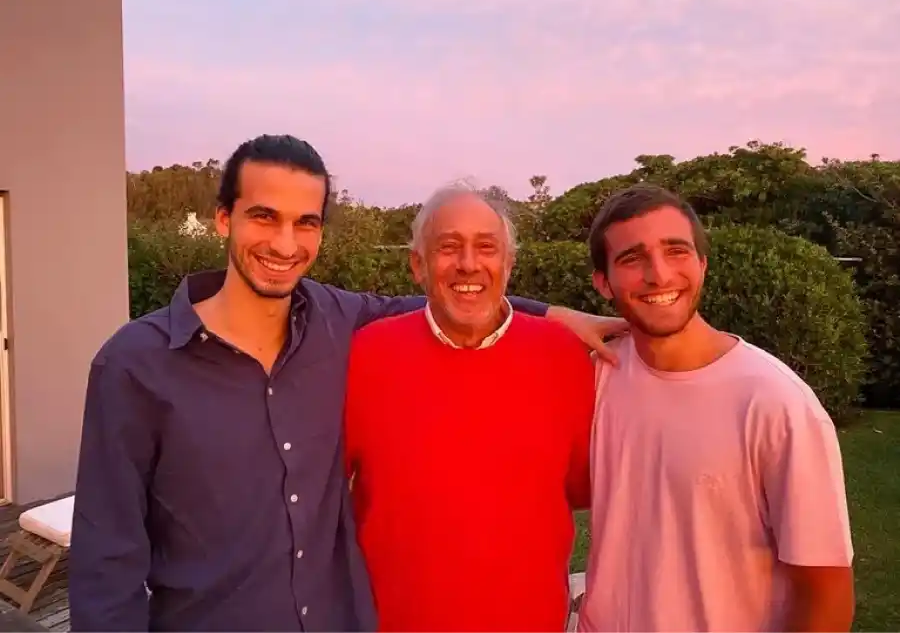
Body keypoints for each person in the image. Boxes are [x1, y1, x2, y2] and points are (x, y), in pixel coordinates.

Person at [68, 134, 627, 632]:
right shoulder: (135, 364)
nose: (285, 244)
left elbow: (459, 298)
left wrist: (554, 316)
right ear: (223, 219)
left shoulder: (339, 323)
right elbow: (106, 559)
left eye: (305, 222)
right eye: (264, 216)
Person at [576, 183, 856, 632]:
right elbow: (475, 313)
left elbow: (825, 591)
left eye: (676, 251)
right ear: (603, 283)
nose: (659, 275)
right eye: (632, 258)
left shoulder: (774, 402)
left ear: (702, 265)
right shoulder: (598, 376)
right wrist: (553, 315)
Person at [344, 183, 597, 632]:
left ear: (508, 263)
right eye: (448, 247)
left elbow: (580, 487)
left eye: (486, 247)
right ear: (417, 265)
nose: (468, 263)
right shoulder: (367, 354)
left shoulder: (563, 356)